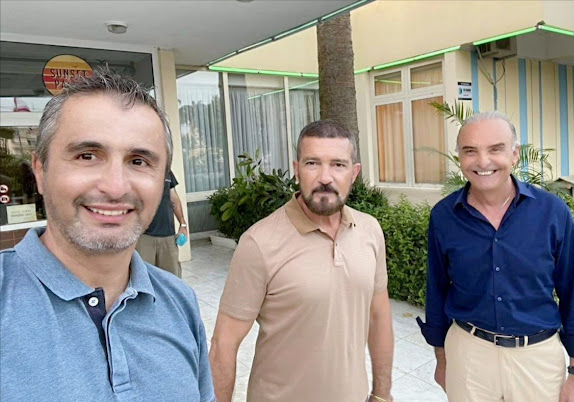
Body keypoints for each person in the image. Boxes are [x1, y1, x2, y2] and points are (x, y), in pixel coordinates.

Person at [0, 69, 214, 401]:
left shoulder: (179, 301)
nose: (115, 187)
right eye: (87, 156)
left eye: (139, 161)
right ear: (40, 171)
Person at [418, 111, 574, 402]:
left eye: (495, 149)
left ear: (514, 154)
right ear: (459, 158)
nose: (483, 161)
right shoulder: (444, 216)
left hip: (537, 359)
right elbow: (436, 289)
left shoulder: (552, 212)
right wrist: (441, 358)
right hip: (468, 354)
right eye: (470, 151)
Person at [209, 120, 394, 402]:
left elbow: (379, 316)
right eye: (312, 163)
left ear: (354, 173)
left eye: (338, 165)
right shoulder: (259, 243)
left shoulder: (370, 230)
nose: (325, 177)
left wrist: (382, 394)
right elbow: (223, 345)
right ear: (296, 170)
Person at [135, 169, 187, 277]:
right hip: (144, 237)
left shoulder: (167, 172)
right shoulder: (137, 170)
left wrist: (183, 224)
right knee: (145, 276)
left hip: (168, 236)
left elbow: (174, 199)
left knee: (172, 278)